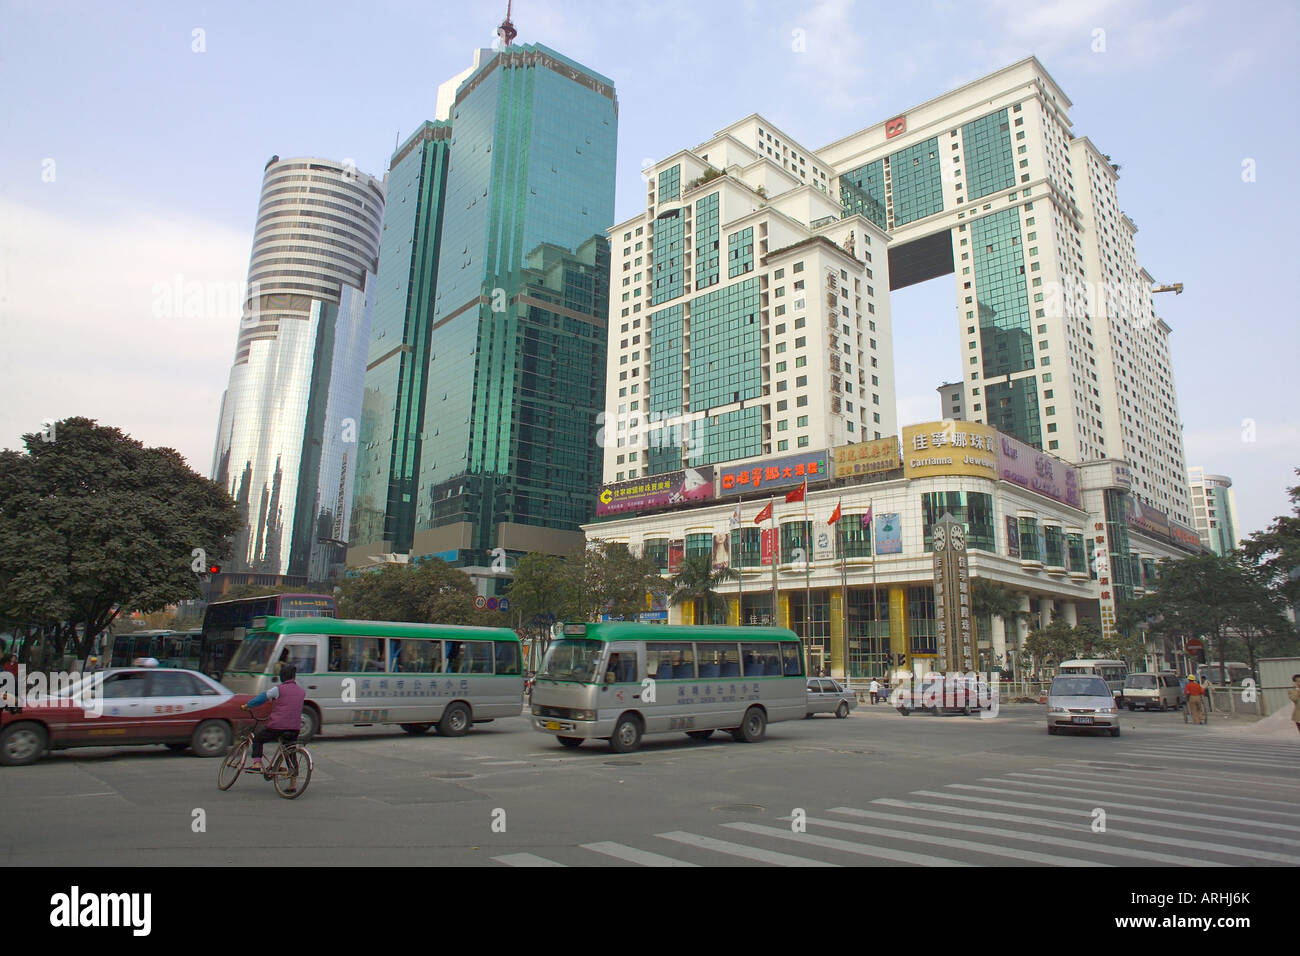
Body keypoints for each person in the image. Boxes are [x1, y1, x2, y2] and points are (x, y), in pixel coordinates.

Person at [242, 663, 306, 775]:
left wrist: (248, 705)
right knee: (290, 750)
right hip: (295, 727)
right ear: (294, 677)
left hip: (278, 726)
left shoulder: (278, 689)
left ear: (282, 676)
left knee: (257, 739)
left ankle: (256, 764)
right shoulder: (301, 691)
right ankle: (293, 777)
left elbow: (262, 698)